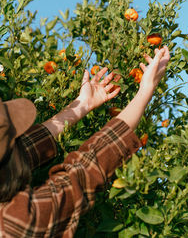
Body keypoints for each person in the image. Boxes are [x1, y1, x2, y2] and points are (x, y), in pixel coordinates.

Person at [0, 46, 170, 238]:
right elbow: (84, 171)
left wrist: (83, 104)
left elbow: (28, 146)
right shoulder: (13, 222)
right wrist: (146, 90)